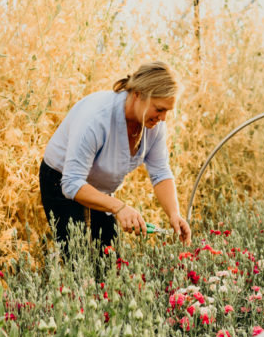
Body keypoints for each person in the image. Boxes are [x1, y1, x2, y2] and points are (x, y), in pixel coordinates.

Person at [39, 61, 192, 261]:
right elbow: (72, 183)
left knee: (111, 260)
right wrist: (118, 207)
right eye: (159, 109)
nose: (163, 118)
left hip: (99, 187)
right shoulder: (96, 119)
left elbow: (160, 173)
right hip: (61, 180)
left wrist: (174, 214)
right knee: (77, 260)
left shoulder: (154, 125)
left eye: (167, 112)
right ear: (137, 94)